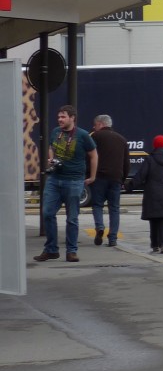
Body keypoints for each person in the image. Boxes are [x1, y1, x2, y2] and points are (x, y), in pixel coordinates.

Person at [34, 104, 98, 263]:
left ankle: (71, 251)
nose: (59, 119)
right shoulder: (56, 132)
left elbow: (93, 155)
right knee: (48, 213)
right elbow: (50, 147)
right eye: (58, 117)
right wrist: (51, 159)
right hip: (54, 179)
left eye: (63, 117)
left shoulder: (83, 135)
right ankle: (51, 250)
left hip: (74, 180)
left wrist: (92, 176)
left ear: (72, 118)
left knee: (72, 218)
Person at [127, 134, 163, 254]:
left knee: (154, 219)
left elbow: (141, 176)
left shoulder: (150, 159)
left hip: (153, 192)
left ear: (155, 145)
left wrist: (129, 186)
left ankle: (155, 245)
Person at [90, 114, 129, 247]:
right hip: (116, 178)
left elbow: (88, 157)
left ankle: (100, 227)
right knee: (114, 209)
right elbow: (126, 163)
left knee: (97, 205)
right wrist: (122, 179)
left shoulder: (95, 137)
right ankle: (113, 238)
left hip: (99, 177)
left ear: (100, 124)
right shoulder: (122, 139)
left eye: (95, 125)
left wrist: (89, 175)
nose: (94, 128)